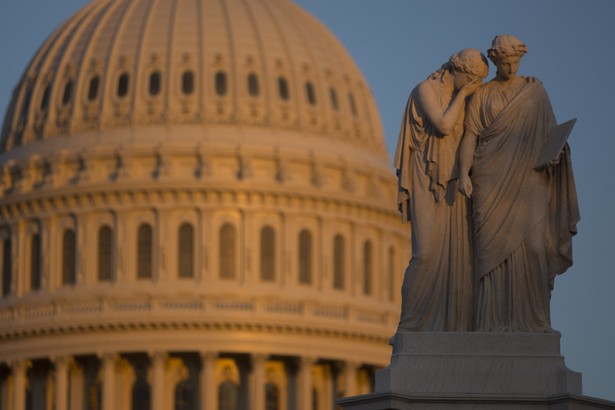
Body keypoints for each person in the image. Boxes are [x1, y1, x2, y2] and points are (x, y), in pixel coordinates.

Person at [458, 35, 580, 332]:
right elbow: (469, 137)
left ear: (520, 59)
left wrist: (556, 156)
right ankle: (490, 322)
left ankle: (533, 321)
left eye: (514, 62)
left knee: (533, 248)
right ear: (495, 62)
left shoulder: (535, 93)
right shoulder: (482, 96)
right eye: (503, 63)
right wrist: (463, 173)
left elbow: (552, 136)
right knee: (490, 255)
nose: (510, 67)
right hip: (489, 179)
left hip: (530, 181)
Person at [394, 48, 488, 331]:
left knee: (455, 261)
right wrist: (463, 94)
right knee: (425, 254)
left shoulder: (467, 99)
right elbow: (444, 125)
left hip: (453, 183)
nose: (476, 88)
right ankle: (410, 325)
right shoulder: (426, 90)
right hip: (426, 178)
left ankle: (449, 324)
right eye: (473, 80)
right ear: (460, 72)